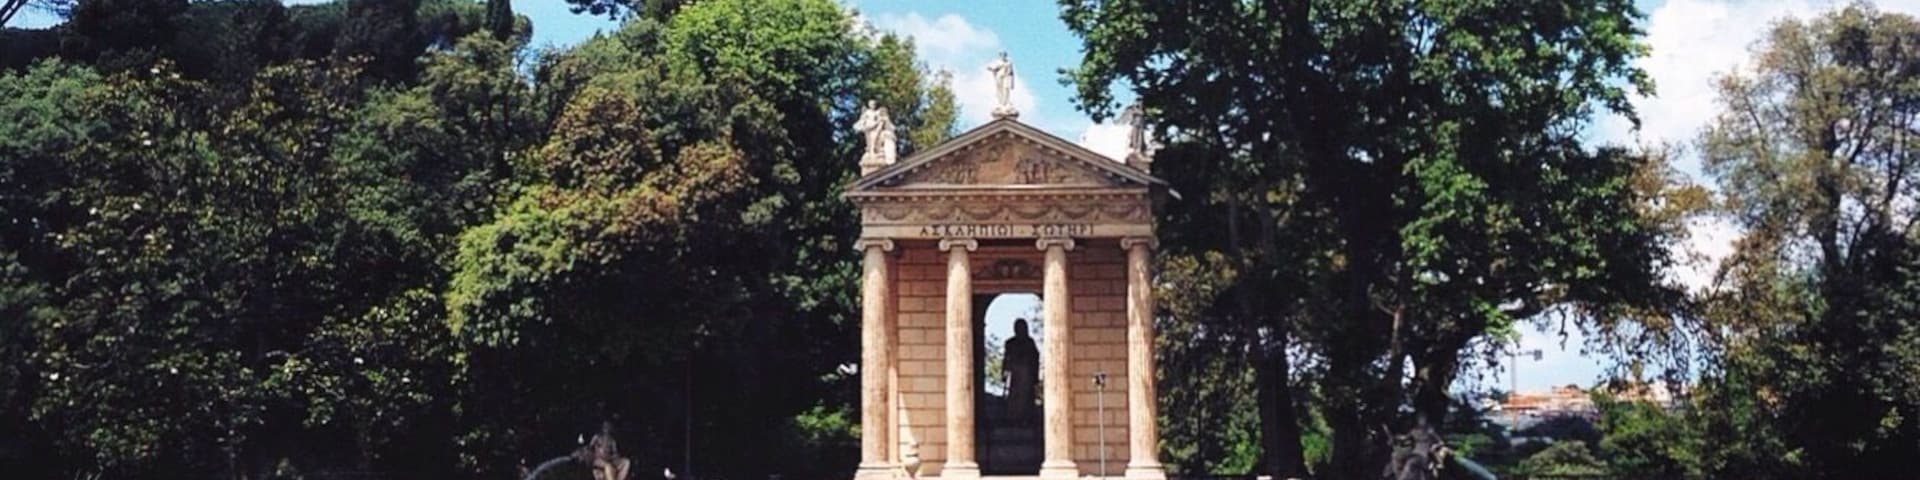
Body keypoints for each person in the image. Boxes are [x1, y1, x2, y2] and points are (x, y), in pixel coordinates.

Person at [1003, 318, 1040, 422]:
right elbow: (1006, 358)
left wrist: (1035, 376)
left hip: (1026, 375)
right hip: (1015, 375)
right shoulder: (1010, 343)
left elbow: (1035, 358)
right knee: (1014, 397)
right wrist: (1004, 372)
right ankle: (1013, 418)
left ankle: (1026, 418)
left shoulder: (1029, 342)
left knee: (1026, 397)